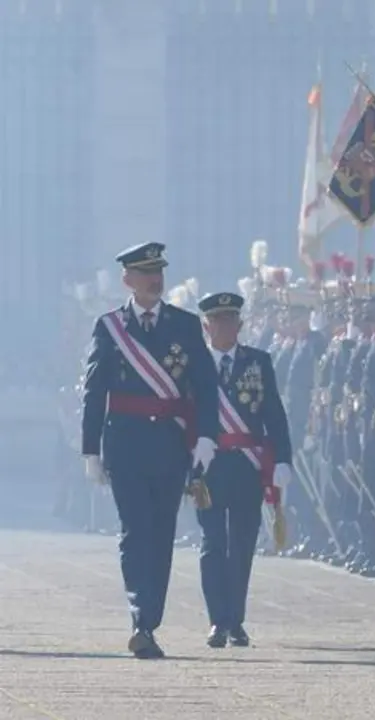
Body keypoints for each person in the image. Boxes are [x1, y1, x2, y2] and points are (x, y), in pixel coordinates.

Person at [80, 242, 220, 659]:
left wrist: (207, 437)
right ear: (128, 280)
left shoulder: (185, 325)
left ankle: (150, 619)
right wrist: (91, 450)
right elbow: (94, 391)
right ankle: (142, 620)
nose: (155, 278)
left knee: (161, 534)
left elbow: (206, 387)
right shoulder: (109, 328)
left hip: (170, 447)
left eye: (158, 270)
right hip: (124, 445)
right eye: (145, 272)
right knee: (134, 530)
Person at [195, 291, 292, 649]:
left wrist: (283, 458)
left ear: (240, 323)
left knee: (242, 544)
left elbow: (274, 413)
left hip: (248, 465)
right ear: (206, 326)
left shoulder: (258, 361)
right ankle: (217, 620)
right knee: (213, 543)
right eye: (217, 320)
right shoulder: (195, 363)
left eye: (231, 319)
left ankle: (235, 619)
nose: (225, 326)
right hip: (209, 464)